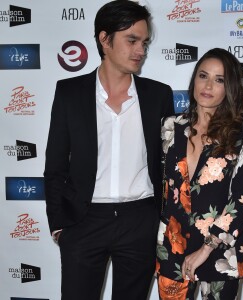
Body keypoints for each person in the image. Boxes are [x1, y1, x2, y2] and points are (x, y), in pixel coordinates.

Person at [44, 1, 174, 299]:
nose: (140, 50)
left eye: (144, 42)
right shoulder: (69, 93)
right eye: (132, 40)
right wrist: (60, 226)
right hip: (83, 220)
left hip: (140, 219)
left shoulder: (158, 95)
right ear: (104, 39)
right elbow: (55, 167)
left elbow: (167, 165)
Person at [156, 48, 243, 299]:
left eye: (219, 79)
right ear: (194, 80)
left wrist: (205, 249)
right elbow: (160, 188)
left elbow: (240, 202)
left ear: (230, 88)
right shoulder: (170, 127)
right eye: (203, 76)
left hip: (219, 253)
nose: (208, 85)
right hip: (172, 250)